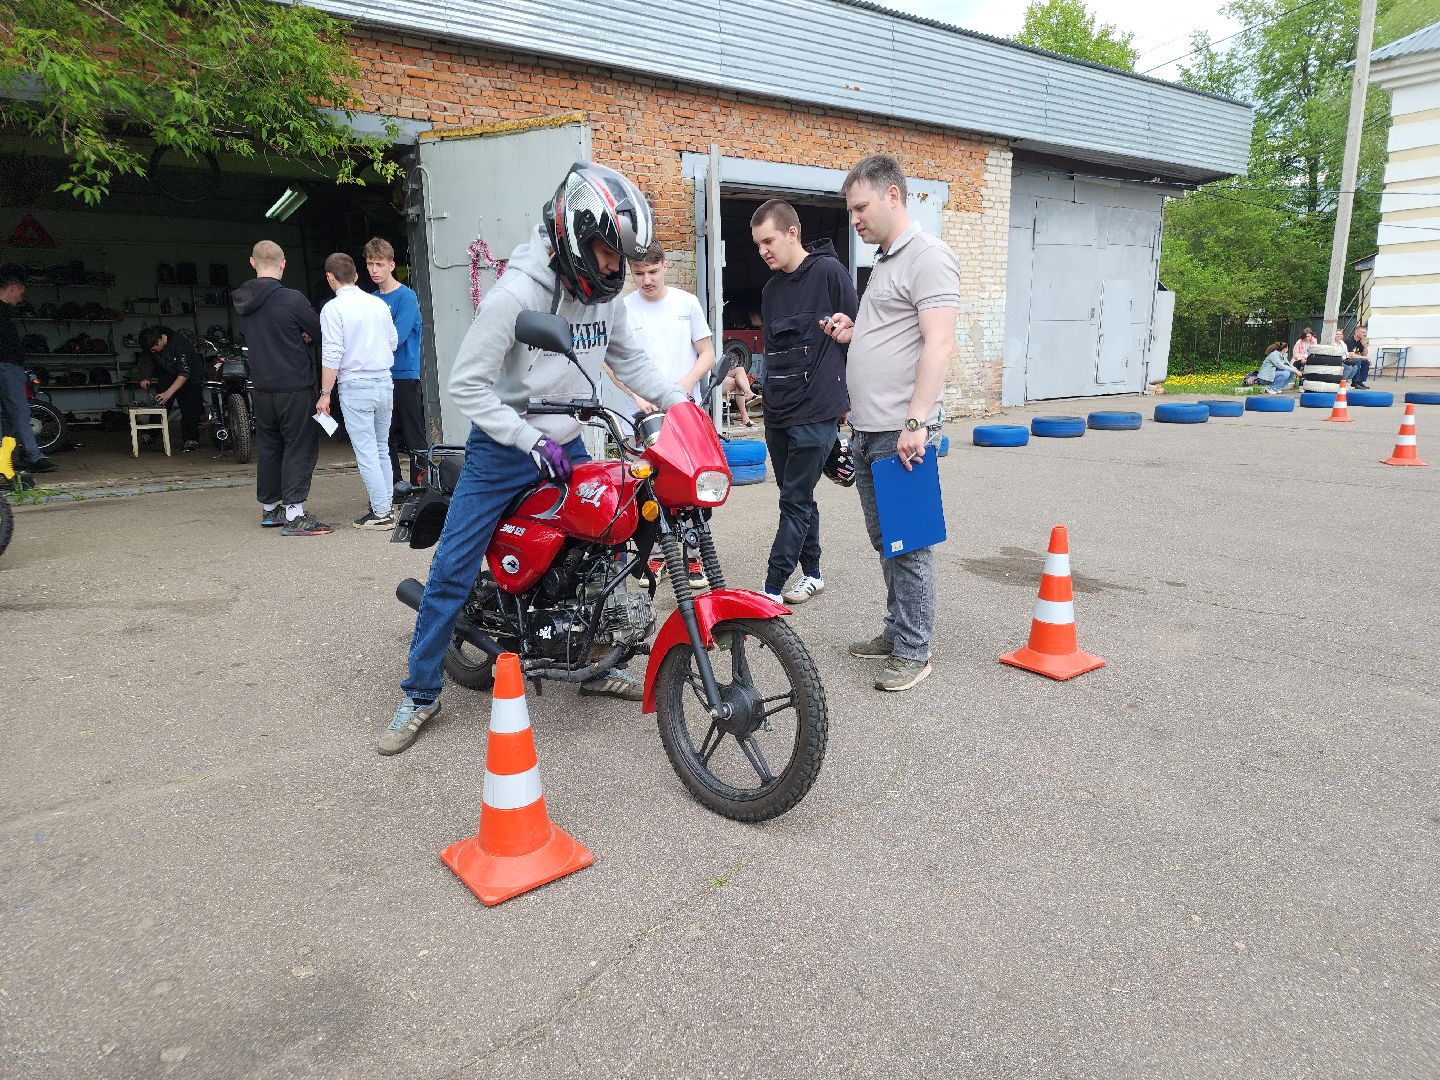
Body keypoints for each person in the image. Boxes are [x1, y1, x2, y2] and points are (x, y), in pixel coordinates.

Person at [380, 162, 689, 757]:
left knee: (599, 552)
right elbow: (465, 387)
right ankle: (419, 693)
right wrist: (527, 440)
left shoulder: (606, 294)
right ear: (574, 235)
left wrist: (681, 405)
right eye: (606, 251)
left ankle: (592, 662)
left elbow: (630, 362)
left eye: (622, 255)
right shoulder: (517, 293)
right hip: (504, 448)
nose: (615, 266)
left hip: (568, 439)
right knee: (451, 569)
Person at [821, 155, 959, 693]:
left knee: (910, 541)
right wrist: (856, 333)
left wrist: (917, 422)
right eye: (850, 208)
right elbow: (894, 332)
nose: (854, 218)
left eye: (860, 206)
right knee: (886, 540)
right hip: (871, 426)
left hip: (903, 428)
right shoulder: (886, 260)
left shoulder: (928, 257)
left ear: (893, 196)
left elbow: (939, 343)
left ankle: (914, 649)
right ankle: (898, 628)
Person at [751, 198, 857, 607]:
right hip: (778, 411)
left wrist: (847, 401)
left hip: (817, 409)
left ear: (792, 233)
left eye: (769, 241)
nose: (763, 251)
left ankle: (771, 588)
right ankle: (812, 573)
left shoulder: (829, 272)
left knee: (793, 499)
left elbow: (856, 335)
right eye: (758, 244)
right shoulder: (772, 289)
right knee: (797, 496)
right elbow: (773, 350)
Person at [602, 240, 716, 588]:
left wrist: (682, 387)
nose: (646, 280)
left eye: (652, 271)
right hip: (640, 414)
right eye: (638, 273)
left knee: (689, 484)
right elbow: (610, 363)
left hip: (682, 410)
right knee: (646, 488)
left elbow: (707, 354)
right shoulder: (622, 308)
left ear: (665, 266)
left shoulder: (687, 303)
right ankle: (652, 557)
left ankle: (693, 556)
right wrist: (636, 395)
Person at [232, 240, 329, 535]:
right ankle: (295, 514)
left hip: (261, 387)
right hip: (295, 385)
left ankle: (271, 508)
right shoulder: (292, 299)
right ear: (283, 263)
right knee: (299, 445)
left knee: (270, 446)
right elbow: (320, 330)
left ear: (252, 262)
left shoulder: (242, 301)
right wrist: (303, 335)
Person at [317, 252, 398, 530]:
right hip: (384, 381)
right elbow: (393, 341)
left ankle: (380, 513)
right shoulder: (378, 304)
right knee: (381, 447)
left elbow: (332, 353)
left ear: (330, 277)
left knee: (366, 452)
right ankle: (386, 505)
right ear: (356, 275)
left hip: (355, 384)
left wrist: (325, 393)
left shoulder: (332, 309)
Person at [362, 238, 426, 488]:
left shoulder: (406, 297)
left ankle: (421, 487)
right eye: (370, 264)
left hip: (404, 374)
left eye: (379, 264)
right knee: (383, 435)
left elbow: (396, 337)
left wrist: (366, 348)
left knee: (413, 434)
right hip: (378, 375)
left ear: (391, 265)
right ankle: (393, 485)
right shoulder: (370, 299)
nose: (374, 270)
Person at [0, 269, 56, 473]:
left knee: (5, 418)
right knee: (20, 413)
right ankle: (35, 457)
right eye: (20, 293)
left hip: (8, 367)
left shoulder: (7, 313)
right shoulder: (6, 312)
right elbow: (13, 346)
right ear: (12, 288)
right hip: (8, 367)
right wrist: (24, 369)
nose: (20, 297)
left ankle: (8, 461)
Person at [137, 325, 205, 452]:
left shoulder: (180, 344)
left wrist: (168, 393)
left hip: (190, 377)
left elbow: (184, 373)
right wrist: (145, 377)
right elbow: (146, 360)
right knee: (159, 404)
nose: (152, 352)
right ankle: (151, 434)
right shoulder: (151, 343)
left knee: (190, 408)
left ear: (159, 341)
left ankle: (191, 439)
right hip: (167, 374)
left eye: (153, 349)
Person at [1344, 324, 1371, 389]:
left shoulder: (1360, 342)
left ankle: (1360, 381)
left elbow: (1364, 355)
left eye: (1365, 333)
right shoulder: (1349, 341)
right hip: (1347, 359)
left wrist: (1365, 346)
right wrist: (1366, 357)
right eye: (1363, 332)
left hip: (1354, 358)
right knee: (1358, 360)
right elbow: (1351, 355)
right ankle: (1354, 382)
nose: (1365, 334)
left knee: (1365, 362)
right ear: (1356, 332)